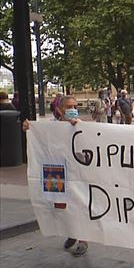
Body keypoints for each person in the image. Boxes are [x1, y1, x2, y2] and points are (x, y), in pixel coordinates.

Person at [22, 95, 88, 257]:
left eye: (75, 107)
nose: (72, 110)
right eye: (69, 107)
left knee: (79, 204)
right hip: (56, 172)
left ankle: (83, 239)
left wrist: (77, 126)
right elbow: (38, 135)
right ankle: (71, 233)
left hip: (76, 173)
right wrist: (29, 128)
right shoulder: (51, 127)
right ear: (60, 109)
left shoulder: (82, 126)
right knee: (60, 206)